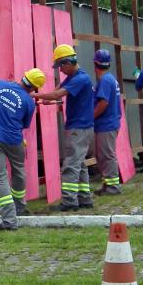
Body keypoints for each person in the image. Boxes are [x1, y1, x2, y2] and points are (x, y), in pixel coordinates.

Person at [32, 44, 95, 211]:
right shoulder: (75, 77)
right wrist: (48, 99)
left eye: (61, 66)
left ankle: (69, 202)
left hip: (79, 128)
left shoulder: (80, 79)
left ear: (68, 62)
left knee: (70, 165)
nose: (60, 71)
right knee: (79, 164)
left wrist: (33, 94)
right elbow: (58, 90)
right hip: (82, 127)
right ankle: (85, 199)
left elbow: (57, 94)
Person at [0, 68, 45, 231]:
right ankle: (19, 208)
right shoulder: (29, 103)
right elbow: (25, 124)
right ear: (34, 88)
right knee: (19, 172)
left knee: (1, 177)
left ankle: (9, 220)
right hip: (14, 141)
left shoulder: (0, 84)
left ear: (24, 77)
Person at [92, 49, 123, 195]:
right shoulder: (110, 79)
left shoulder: (104, 80)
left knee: (107, 155)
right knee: (104, 155)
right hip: (109, 123)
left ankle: (112, 187)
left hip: (106, 124)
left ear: (95, 64)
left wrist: (91, 116)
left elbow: (103, 103)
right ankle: (107, 184)